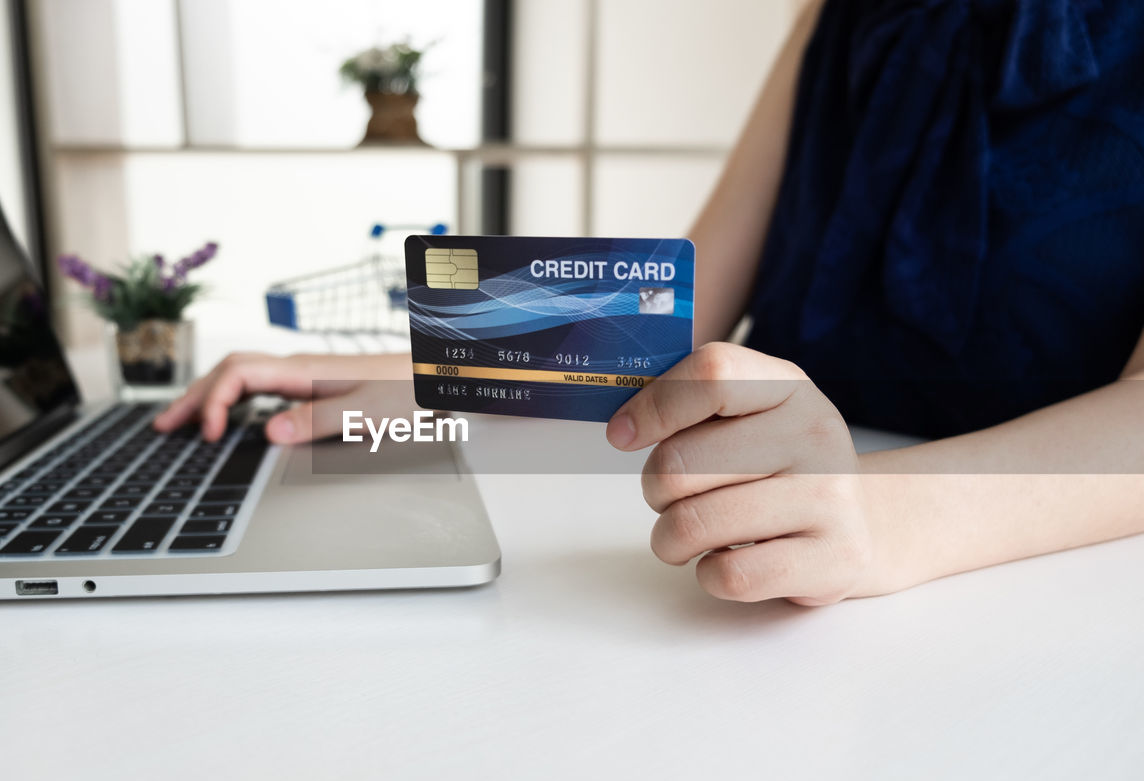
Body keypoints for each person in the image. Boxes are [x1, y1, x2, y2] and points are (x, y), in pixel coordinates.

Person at [154, 0, 1144, 605]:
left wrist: (880, 517)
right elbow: (687, 298)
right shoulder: (838, 9)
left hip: (1023, 583)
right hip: (768, 543)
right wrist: (426, 372)